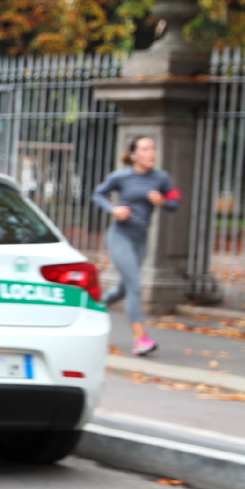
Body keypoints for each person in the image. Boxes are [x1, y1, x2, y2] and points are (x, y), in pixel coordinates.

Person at [91, 136, 180, 357]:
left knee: (124, 288)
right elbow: (98, 194)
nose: (151, 153)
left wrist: (163, 202)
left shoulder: (161, 178)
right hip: (120, 237)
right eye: (145, 149)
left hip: (140, 241)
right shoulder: (121, 177)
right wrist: (113, 210)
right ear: (134, 154)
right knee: (135, 286)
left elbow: (175, 202)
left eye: (153, 149)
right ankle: (140, 339)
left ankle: (94, 307)